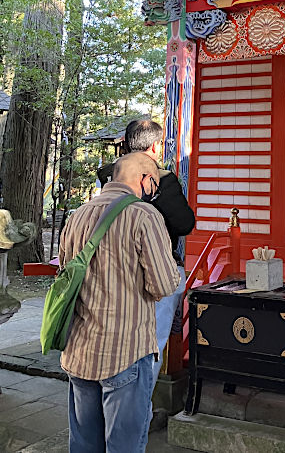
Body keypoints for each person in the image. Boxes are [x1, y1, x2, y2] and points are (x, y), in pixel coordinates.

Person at [59, 152, 180, 453]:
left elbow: (64, 274)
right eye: (154, 182)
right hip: (125, 351)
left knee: (84, 444)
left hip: (80, 349)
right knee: (124, 445)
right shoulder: (145, 215)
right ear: (143, 179)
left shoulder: (78, 214)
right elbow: (164, 284)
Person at [123, 119, 195, 392]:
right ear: (155, 145)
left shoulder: (106, 175)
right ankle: (141, 410)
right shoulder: (161, 180)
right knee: (151, 343)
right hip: (155, 270)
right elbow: (184, 223)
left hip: (113, 270)